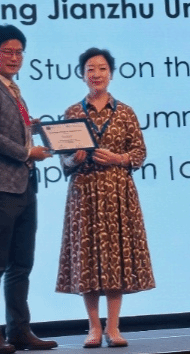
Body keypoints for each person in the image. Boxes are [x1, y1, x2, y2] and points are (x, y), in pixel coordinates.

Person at [55, 48, 155, 348]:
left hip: (117, 194)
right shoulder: (72, 113)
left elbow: (139, 153)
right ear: (82, 75)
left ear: (110, 73)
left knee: (115, 259)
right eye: (90, 69)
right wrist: (73, 159)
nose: (95, 74)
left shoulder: (125, 112)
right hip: (84, 193)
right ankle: (93, 328)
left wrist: (117, 158)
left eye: (101, 68)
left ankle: (113, 328)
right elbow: (63, 159)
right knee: (87, 259)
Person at [0, 24, 57, 354]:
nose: (14, 58)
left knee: (21, 264)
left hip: (23, 186)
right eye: (7, 51)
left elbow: (11, 131)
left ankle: (19, 330)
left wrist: (38, 129)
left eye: (19, 52)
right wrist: (27, 152)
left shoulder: (14, 90)